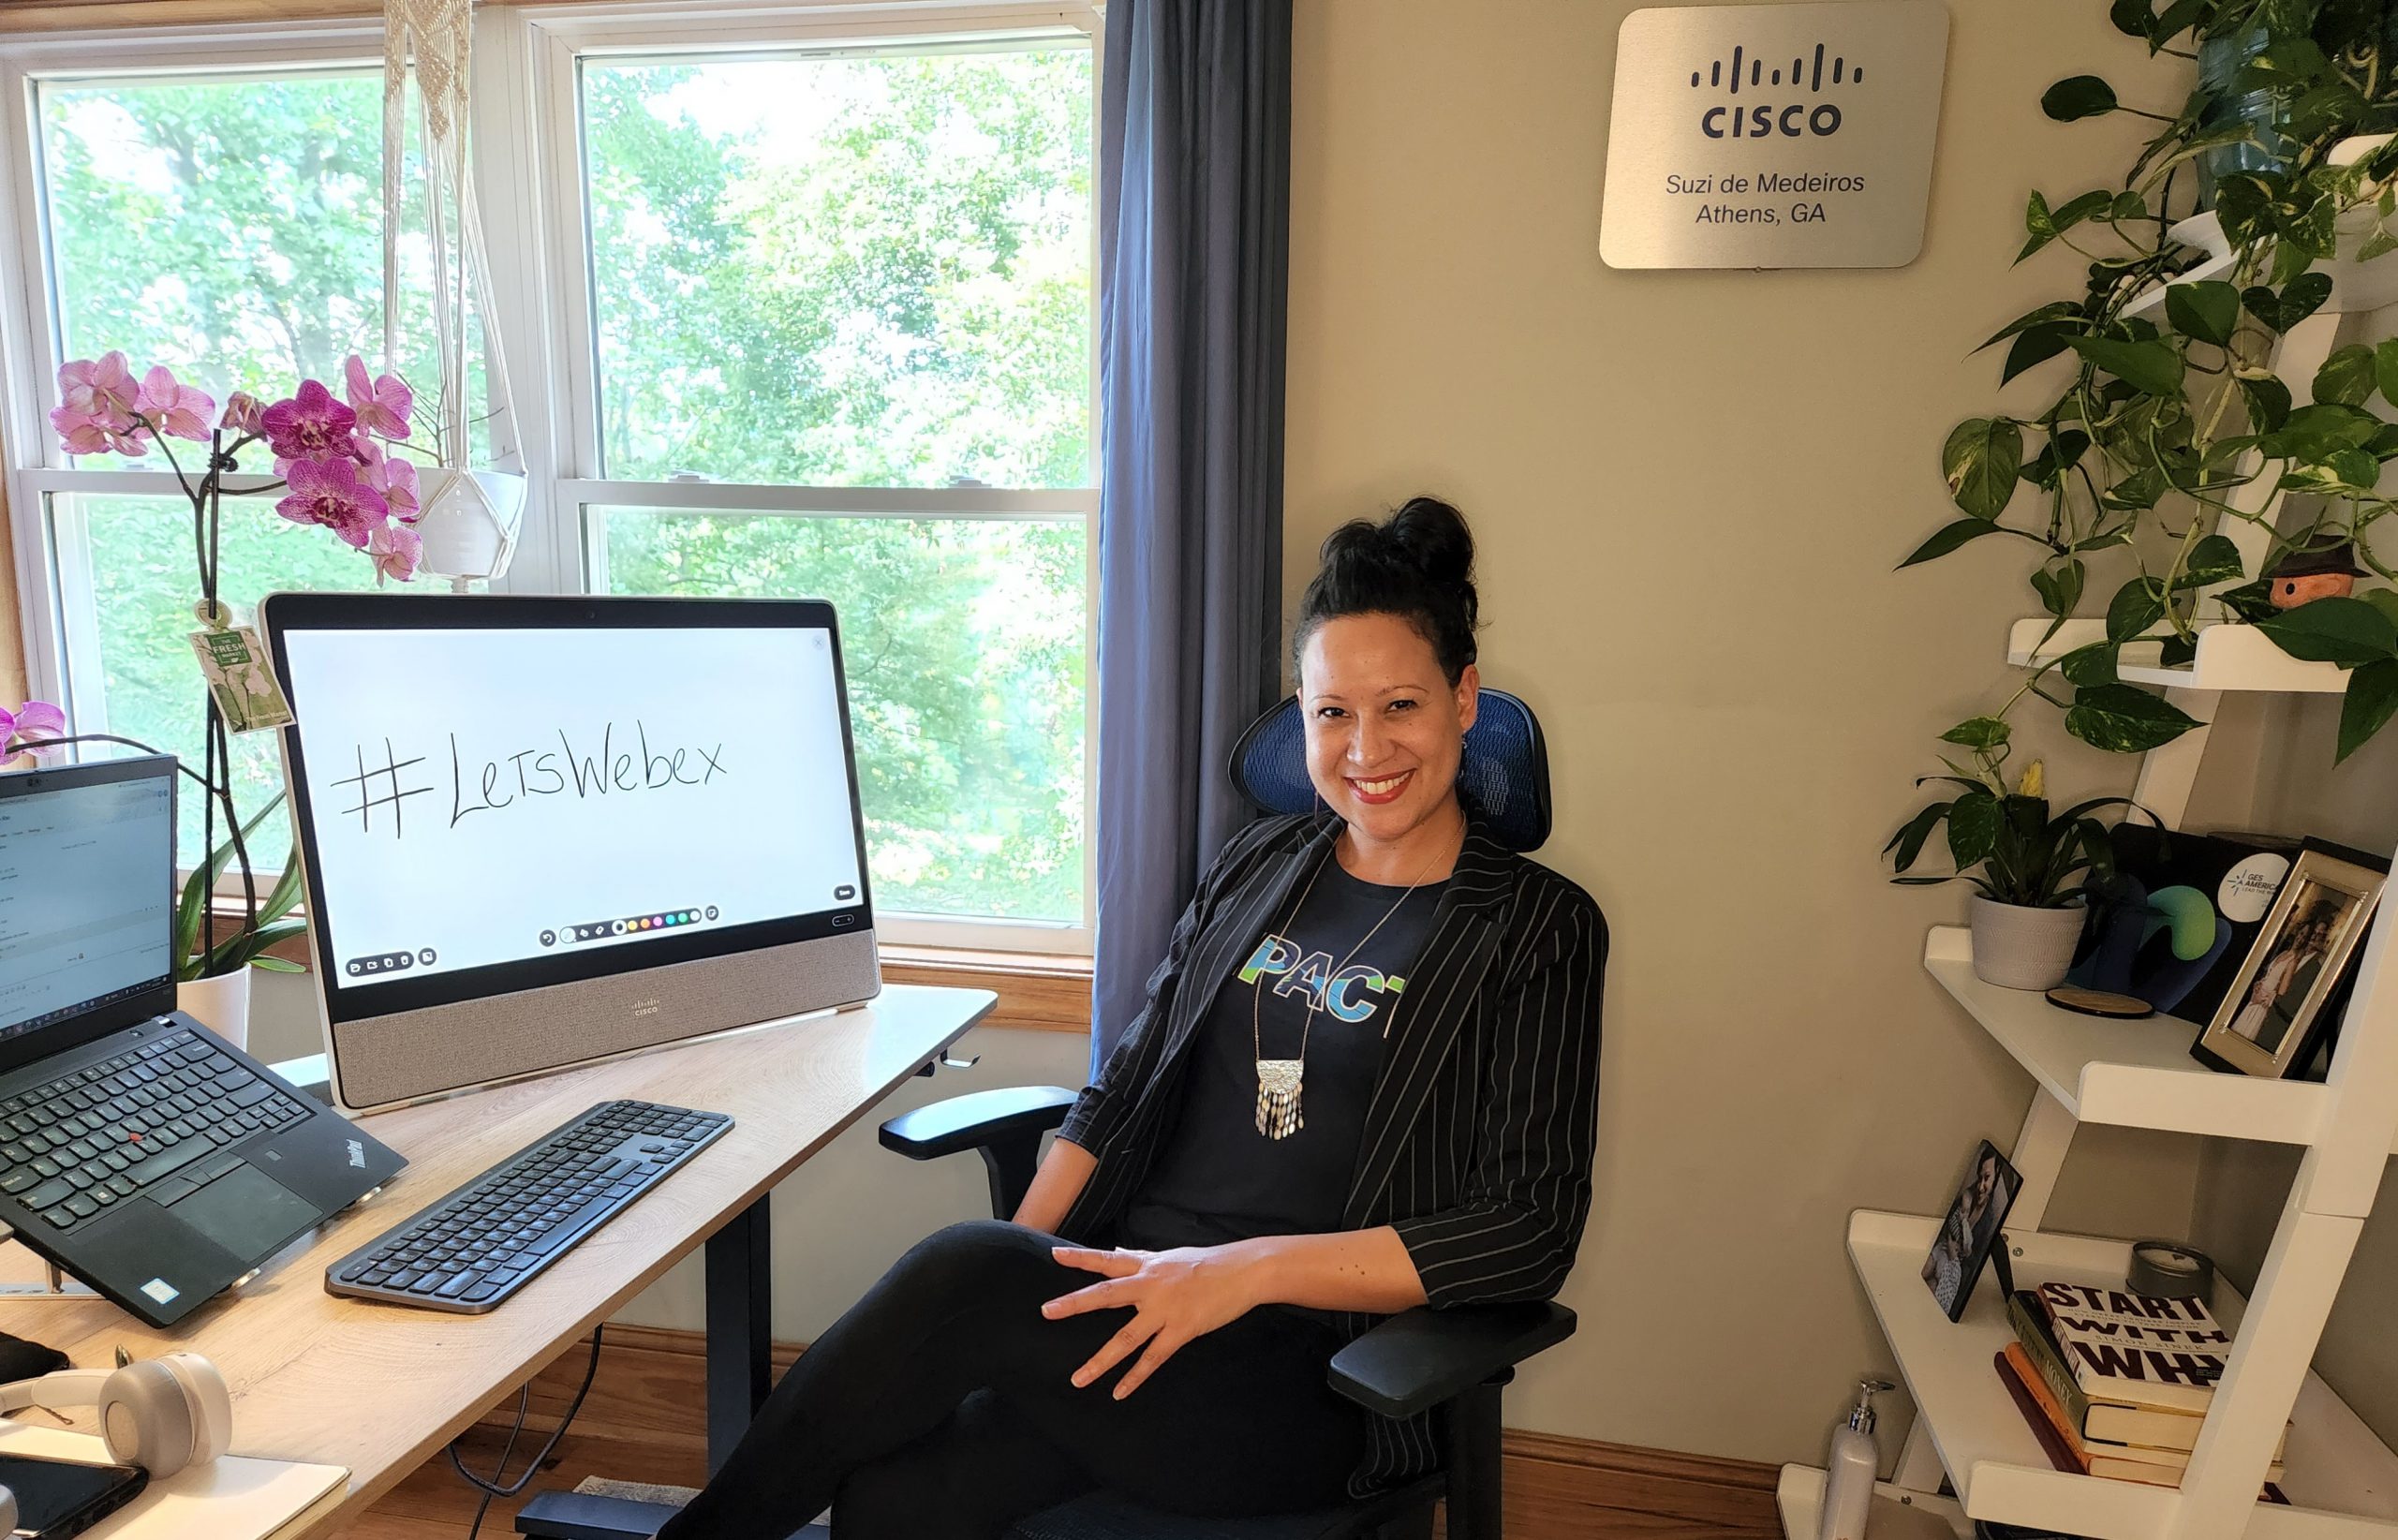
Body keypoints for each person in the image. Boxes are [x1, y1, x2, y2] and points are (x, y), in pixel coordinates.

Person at [655, 497, 1608, 1539]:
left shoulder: (1534, 927)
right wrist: (996, 1316)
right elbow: (1124, 1085)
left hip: (1312, 1374)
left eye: (1401, 707)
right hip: (1132, 1305)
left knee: (966, 1278)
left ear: (1465, 701)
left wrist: (1238, 1273)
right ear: (1301, 713)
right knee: (894, 1498)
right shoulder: (1261, 866)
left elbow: (1525, 1234)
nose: (1365, 748)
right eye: (1334, 712)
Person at [1922, 1148, 2003, 1315]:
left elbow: (1972, 1261)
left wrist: (1955, 1254)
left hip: (1953, 1265)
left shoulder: (1987, 1220)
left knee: (1931, 1292)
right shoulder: (1968, 1196)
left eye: (1987, 1178)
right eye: (1980, 1177)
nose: (1981, 1186)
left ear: (1997, 1173)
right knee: (1920, 1278)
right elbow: (1948, 1225)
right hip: (1941, 1249)